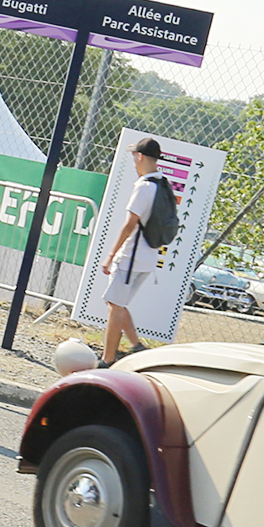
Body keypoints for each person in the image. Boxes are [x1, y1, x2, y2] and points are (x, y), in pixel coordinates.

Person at [98, 137, 169, 365]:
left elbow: (130, 224)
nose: (133, 161)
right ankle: (136, 345)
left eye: (133, 156)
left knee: (114, 306)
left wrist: (111, 255)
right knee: (117, 303)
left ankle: (108, 359)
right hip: (148, 258)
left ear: (140, 156)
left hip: (131, 258)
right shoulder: (162, 184)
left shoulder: (144, 187)